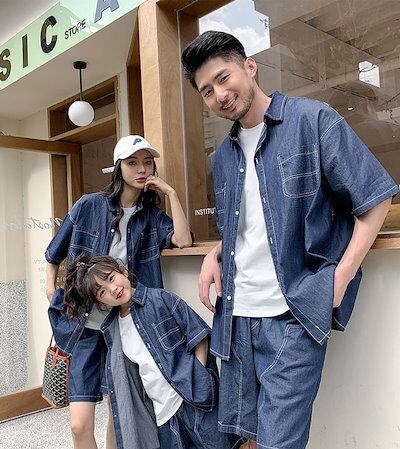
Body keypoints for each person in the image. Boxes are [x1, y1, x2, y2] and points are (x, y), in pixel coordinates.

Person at [181, 31, 399, 449]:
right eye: (207, 91)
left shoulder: (312, 120)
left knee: (279, 442)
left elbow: (375, 198)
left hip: (293, 313)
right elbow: (253, 223)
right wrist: (217, 251)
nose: (220, 95)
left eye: (224, 78)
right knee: (240, 437)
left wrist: (340, 278)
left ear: (249, 67)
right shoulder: (222, 156)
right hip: (236, 318)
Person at [45, 135, 193, 449]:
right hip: (84, 326)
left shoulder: (151, 216)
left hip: (124, 326)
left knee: (119, 413)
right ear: (118, 167)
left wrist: (171, 193)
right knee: (78, 424)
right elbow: (53, 253)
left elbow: (183, 240)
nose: (142, 169)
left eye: (147, 162)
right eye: (132, 162)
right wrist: (50, 291)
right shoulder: (89, 205)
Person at [55, 254, 243, 449]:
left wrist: (198, 374)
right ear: (101, 303)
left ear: (123, 271)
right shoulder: (113, 331)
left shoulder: (159, 299)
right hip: (163, 414)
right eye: (102, 292)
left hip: (193, 399)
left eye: (111, 278)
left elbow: (198, 334)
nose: (112, 289)